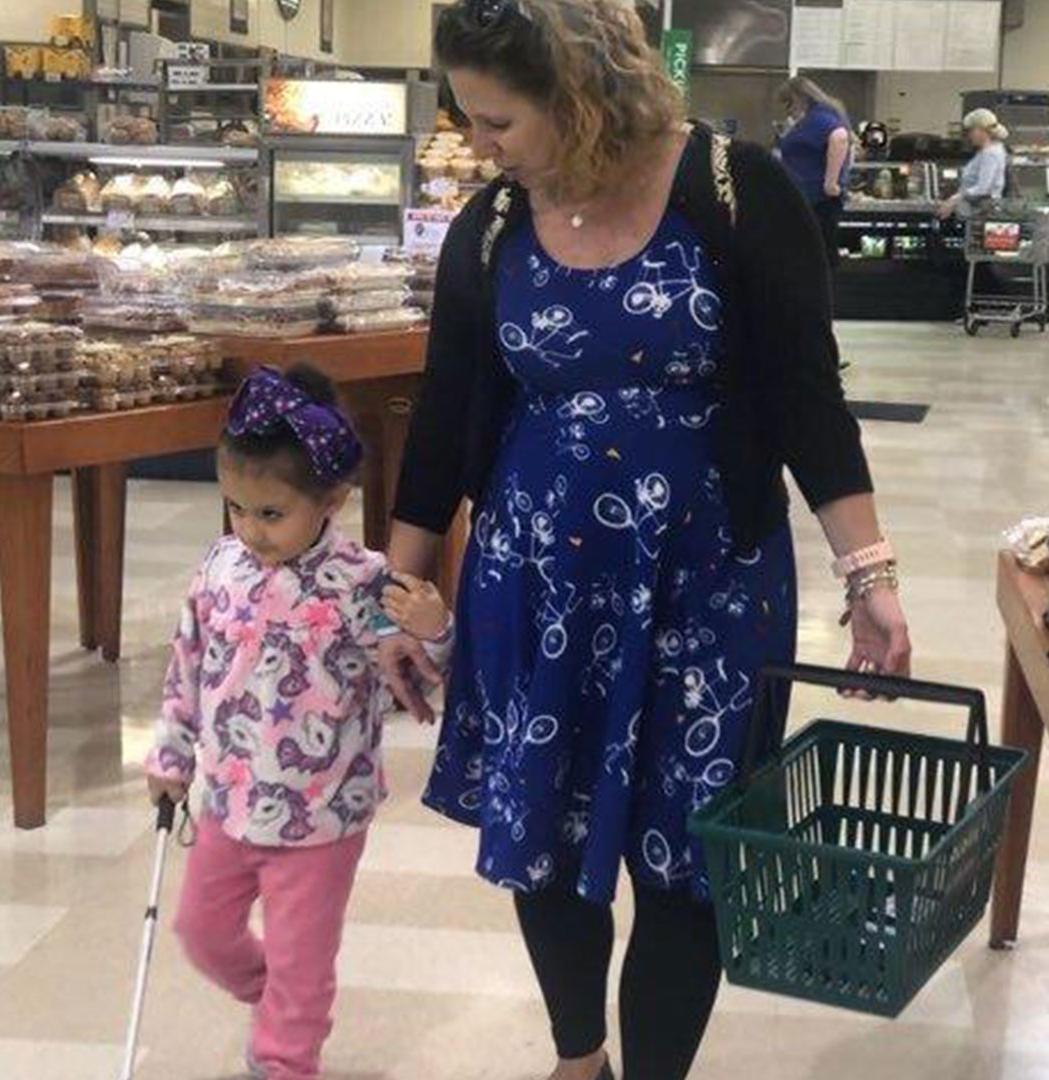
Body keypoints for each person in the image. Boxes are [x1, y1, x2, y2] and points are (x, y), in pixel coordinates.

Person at [382, 3, 912, 1080]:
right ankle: (579, 1061)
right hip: (536, 582)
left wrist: (870, 574)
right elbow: (444, 418)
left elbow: (811, 398)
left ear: (579, 96)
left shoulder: (734, 191)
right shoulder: (493, 227)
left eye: (499, 122)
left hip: (709, 584)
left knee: (689, 855)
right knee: (548, 840)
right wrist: (397, 586)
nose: (483, 146)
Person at [144, 365, 452, 1080]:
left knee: (300, 960)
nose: (250, 530)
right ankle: (283, 1001)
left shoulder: (363, 581)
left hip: (320, 817)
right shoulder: (220, 568)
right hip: (228, 800)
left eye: (271, 514)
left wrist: (435, 629)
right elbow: (187, 666)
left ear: (332, 500)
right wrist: (170, 756)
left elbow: (422, 674)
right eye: (237, 509)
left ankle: (286, 1051)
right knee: (202, 934)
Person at [777, 75, 853, 270]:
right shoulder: (817, 117)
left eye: (788, 104)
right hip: (808, 200)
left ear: (799, 98)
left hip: (817, 201)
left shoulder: (819, 118)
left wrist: (831, 183)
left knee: (817, 259)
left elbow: (840, 137)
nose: (788, 111)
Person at [937, 107, 1009, 220]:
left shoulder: (990, 154)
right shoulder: (987, 152)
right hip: (976, 211)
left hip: (982, 213)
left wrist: (954, 199)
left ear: (981, 130)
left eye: (971, 131)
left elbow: (983, 188)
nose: (969, 136)